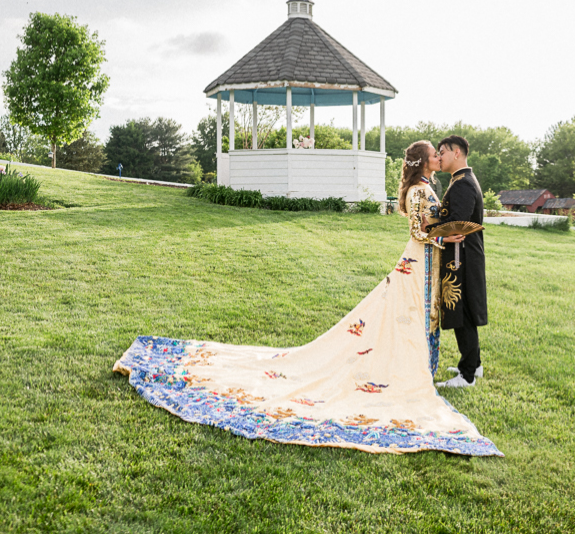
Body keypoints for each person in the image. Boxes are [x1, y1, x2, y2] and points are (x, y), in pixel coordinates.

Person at [112, 140, 501, 457]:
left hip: (428, 264)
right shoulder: (420, 189)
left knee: (412, 318)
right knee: (405, 315)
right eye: (434, 152)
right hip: (418, 262)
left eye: (441, 152)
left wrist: (443, 235)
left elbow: (431, 223)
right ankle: (403, 372)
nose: (438, 156)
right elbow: (420, 230)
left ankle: (418, 366)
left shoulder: (431, 187)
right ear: (425, 161)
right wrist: (441, 238)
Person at [432, 135, 487, 389]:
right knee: (462, 311)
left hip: (460, 258)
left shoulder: (463, 183)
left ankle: (467, 376)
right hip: (462, 256)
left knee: (462, 312)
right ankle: (473, 365)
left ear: (457, 153)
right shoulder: (461, 180)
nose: (439, 156)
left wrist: (428, 227)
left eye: (441, 151)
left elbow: (457, 223)